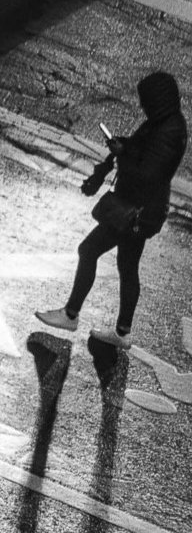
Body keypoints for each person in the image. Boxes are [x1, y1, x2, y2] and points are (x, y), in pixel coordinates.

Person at [36, 70, 187, 347]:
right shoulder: (164, 122)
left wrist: (121, 154)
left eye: (146, 101)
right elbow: (142, 152)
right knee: (127, 267)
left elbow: (146, 173)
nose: (142, 106)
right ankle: (122, 332)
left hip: (136, 210)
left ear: (158, 100)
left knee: (88, 250)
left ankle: (71, 314)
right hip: (143, 209)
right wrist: (123, 146)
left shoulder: (168, 131)